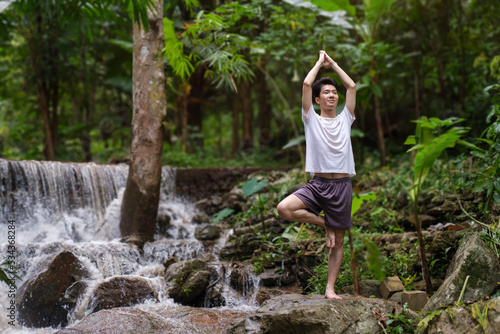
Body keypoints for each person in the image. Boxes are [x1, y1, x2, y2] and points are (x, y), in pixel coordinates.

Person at [277, 50, 356, 299]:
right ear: (318, 100)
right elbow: (307, 83)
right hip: (318, 184)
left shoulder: (346, 118)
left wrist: (333, 63)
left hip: (342, 185)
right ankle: (325, 224)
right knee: (284, 208)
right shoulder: (310, 118)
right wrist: (319, 64)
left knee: (339, 241)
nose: (332, 95)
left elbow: (351, 85)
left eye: (334, 92)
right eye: (326, 93)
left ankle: (330, 288)